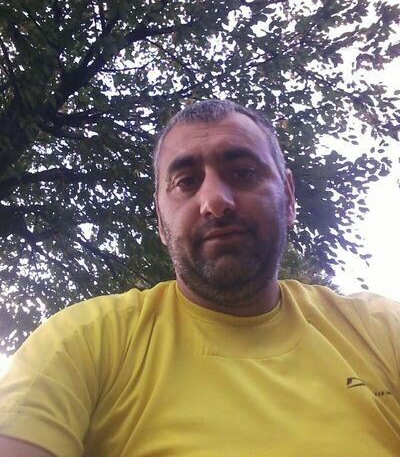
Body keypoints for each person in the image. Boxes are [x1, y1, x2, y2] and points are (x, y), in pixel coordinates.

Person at [0, 99, 400, 456]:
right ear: (160, 220)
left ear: (289, 197)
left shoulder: (381, 331)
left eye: (244, 172)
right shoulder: (85, 342)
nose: (215, 201)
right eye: (186, 182)